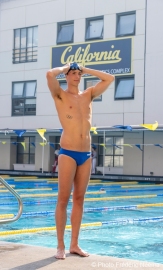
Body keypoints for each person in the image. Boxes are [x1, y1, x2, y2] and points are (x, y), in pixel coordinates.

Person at [46, 62, 114, 259]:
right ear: (66, 76)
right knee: (63, 199)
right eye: (73, 73)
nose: (77, 76)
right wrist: (66, 66)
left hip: (85, 155)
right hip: (68, 152)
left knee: (79, 199)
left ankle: (74, 244)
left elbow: (110, 79)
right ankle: (60, 246)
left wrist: (86, 69)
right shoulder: (60, 95)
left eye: (78, 73)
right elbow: (50, 74)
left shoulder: (88, 94)